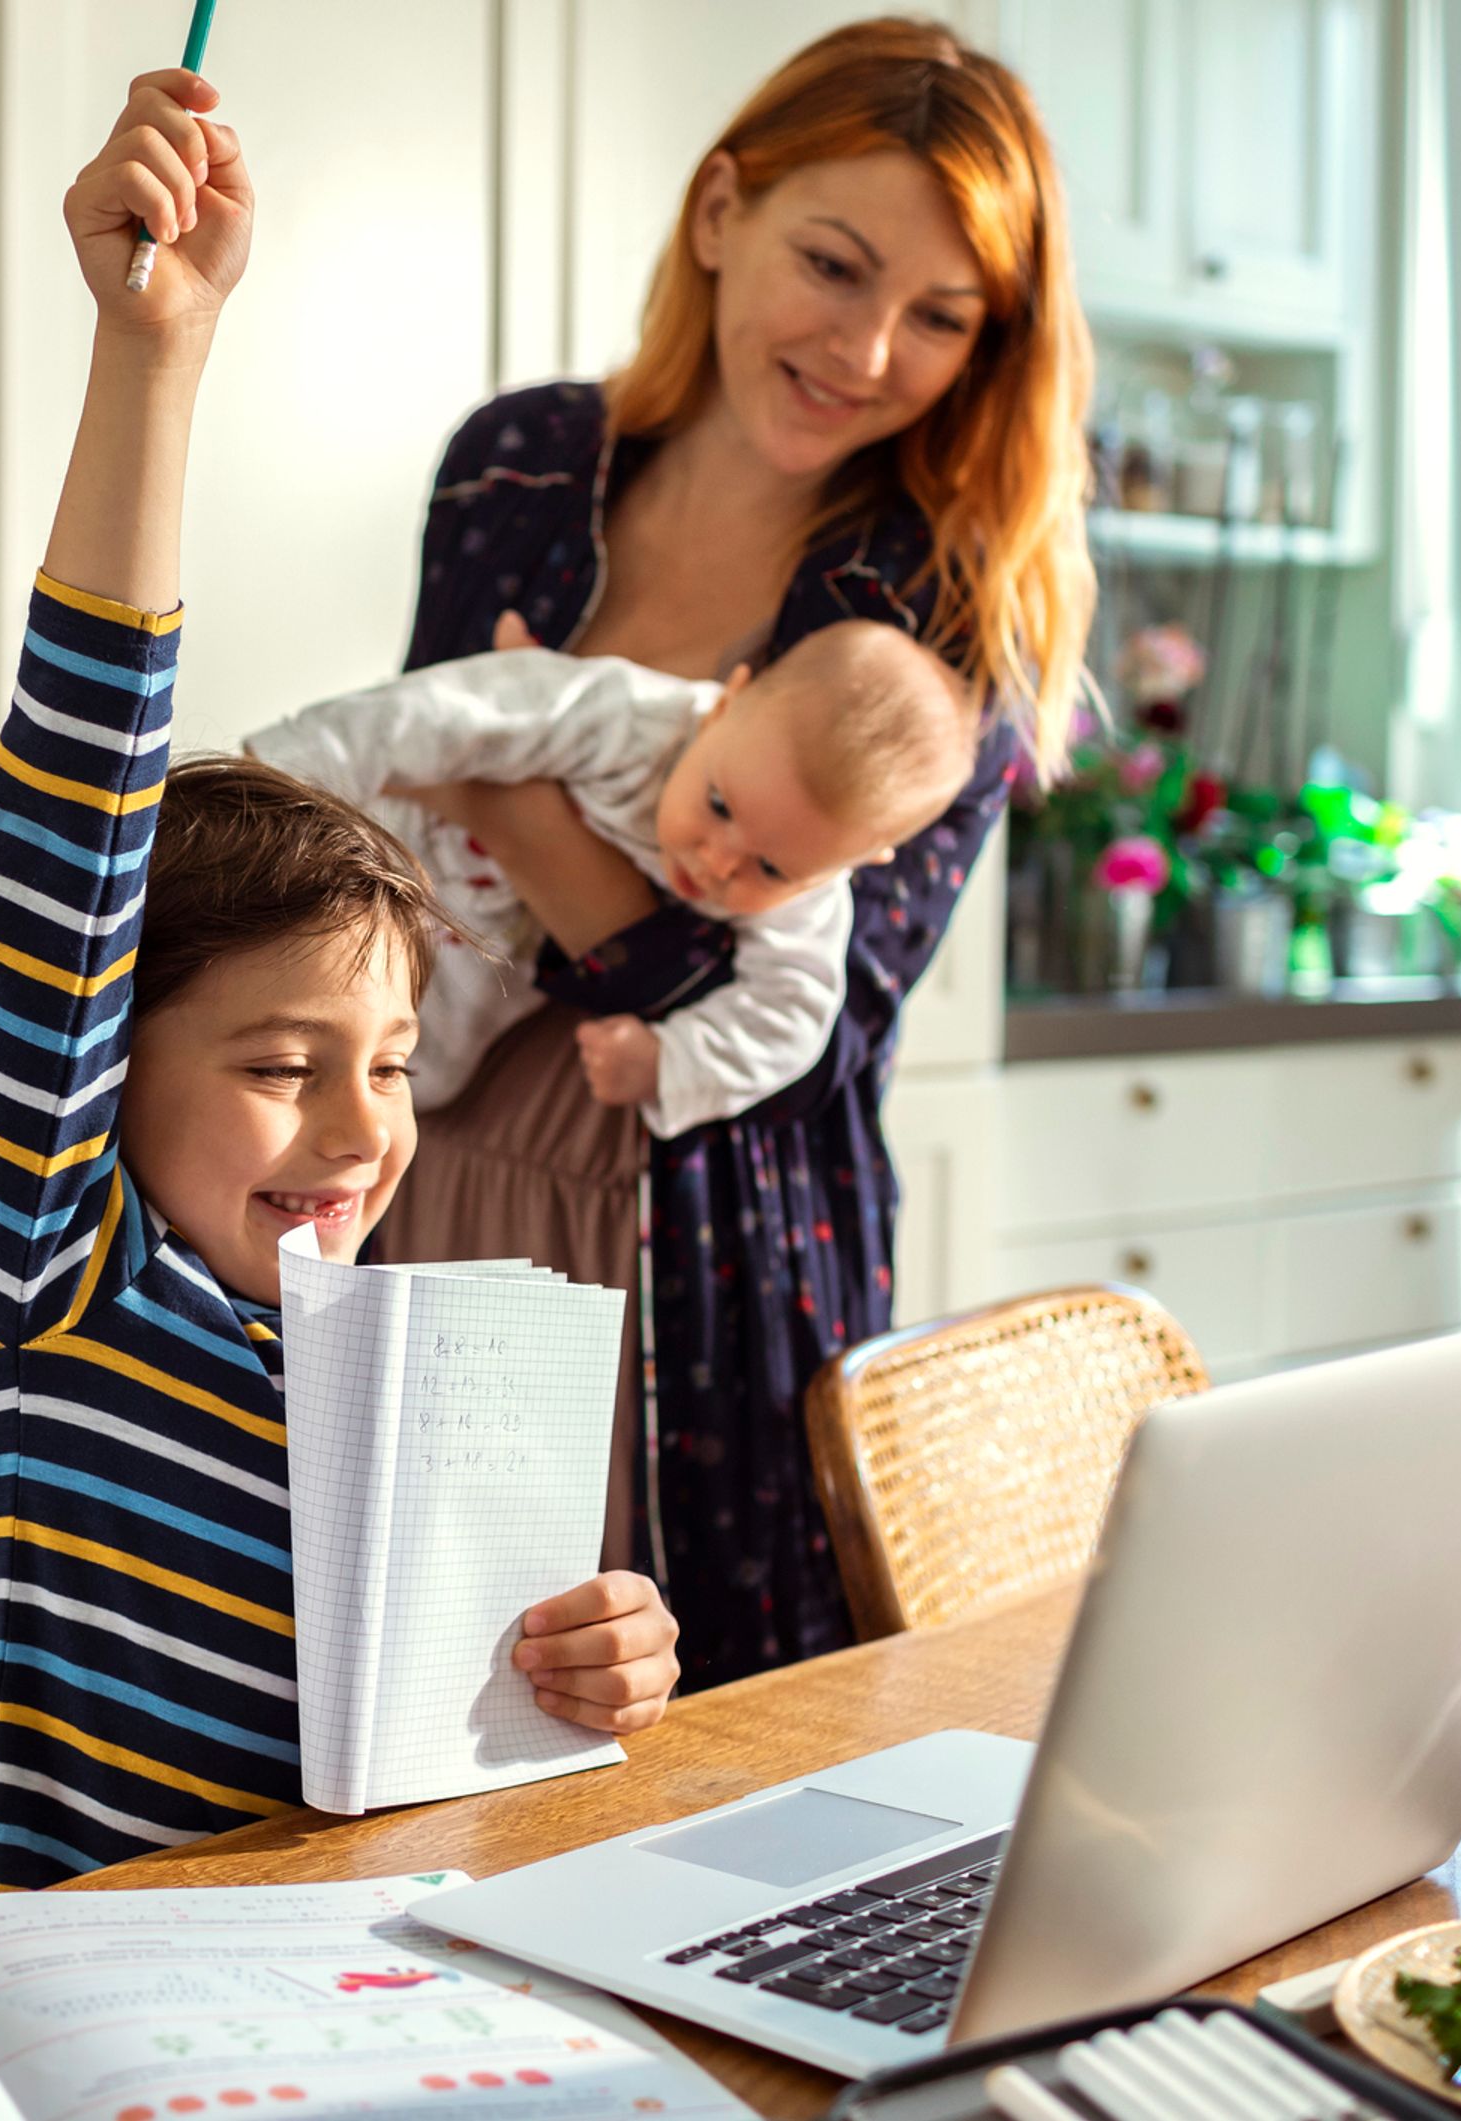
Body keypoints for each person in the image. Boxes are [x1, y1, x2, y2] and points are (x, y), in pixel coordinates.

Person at [0, 68, 679, 1896]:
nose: (358, 1130)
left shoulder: (378, 1356)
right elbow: (70, 812)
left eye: (393, 1064)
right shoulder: (55, 1278)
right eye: (280, 1065)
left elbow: (472, 1782)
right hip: (113, 2006)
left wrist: (597, 1664)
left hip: (390, 1989)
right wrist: (154, 358)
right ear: (96, 1068)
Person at [379, 17, 1095, 1683]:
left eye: (941, 318)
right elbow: (413, 841)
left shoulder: (942, 599)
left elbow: (784, 1015)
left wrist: (522, 813)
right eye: (833, 267)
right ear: (719, 213)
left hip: (718, 1246)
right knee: (423, 1723)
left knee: (708, 1757)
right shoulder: (518, 464)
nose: (866, 350)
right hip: (435, 1166)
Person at [249, 619, 976, 1138]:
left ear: (853, 863)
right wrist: (282, 772)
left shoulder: (813, 891)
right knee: (279, 953)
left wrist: (672, 1059)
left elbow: (791, 1014)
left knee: (410, 1072)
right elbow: (448, 712)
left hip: (492, 948)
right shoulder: (627, 715)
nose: (717, 863)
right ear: (723, 705)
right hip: (402, 841)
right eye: (718, 805)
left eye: (771, 868)